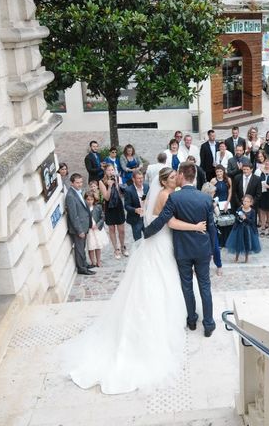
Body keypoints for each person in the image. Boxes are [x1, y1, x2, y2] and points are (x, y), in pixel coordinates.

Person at [67, 167, 208, 394]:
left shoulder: (171, 193)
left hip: (161, 242)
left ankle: (181, 314)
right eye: (172, 178)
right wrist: (195, 226)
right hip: (162, 242)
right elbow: (168, 222)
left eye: (176, 177)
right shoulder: (165, 195)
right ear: (164, 181)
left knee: (168, 278)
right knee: (163, 279)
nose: (176, 180)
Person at [144, 163, 222, 337]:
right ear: (194, 176)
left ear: (181, 175)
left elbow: (163, 219)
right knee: (205, 286)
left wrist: (147, 232)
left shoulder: (175, 198)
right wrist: (212, 252)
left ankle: (192, 320)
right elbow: (211, 228)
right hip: (202, 249)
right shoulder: (206, 198)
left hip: (183, 249)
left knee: (186, 285)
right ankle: (208, 324)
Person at [65, 173, 95, 276]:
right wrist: (80, 230)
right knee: (79, 248)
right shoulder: (70, 196)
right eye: (77, 183)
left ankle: (84, 264)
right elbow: (74, 216)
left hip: (84, 225)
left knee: (82, 247)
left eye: (81, 182)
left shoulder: (78, 192)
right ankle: (82, 268)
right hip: (78, 228)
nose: (80, 184)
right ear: (72, 183)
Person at [99, 164, 128, 259]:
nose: (111, 172)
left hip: (118, 205)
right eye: (109, 170)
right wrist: (110, 186)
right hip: (109, 207)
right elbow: (106, 198)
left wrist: (118, 185)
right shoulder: (101, 182)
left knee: (122, 230)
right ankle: (116, 249)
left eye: (112, 170)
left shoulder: (117, 178)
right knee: (112, 229)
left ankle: (123, 246)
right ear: (105, 171)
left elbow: (121, 194)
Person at [225, 195, 261, 263]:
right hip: (239, 229)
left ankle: (246, 258)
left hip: (248, 230)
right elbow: (236, 218)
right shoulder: (240, 209)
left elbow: (252, 222)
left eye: (247, 201)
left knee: (247, 242)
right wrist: (240, 218)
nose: (245, 203)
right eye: (244, 201)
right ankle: (236, 257)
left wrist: (245, 218)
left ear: (251, 203)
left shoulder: (253, 211)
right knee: (238, 242)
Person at [84, 191, 109, 268]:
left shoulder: (98, 207)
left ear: (94, 200)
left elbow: (102, 217)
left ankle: (98, 261)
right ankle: (93, 262)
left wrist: (98, 225)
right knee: (91, 246)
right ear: (85, 200)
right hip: (89, 230)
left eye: (91, 199)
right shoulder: (84, 208)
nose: (90, 201)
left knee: (98, 246)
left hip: (96, 229)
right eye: (88, 199)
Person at [255, 154, 269, 237]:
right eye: (266, 161)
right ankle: (263, 228)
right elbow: (255, 182)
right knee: (262, 211)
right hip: (261, 194)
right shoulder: (258, 171)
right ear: (264, 161)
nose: (267, 163)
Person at [124, 171, 149, 241]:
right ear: (133, 179)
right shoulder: (128, 190)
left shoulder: (147, 186)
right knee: (138, 240)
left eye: (142, 178)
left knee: (149, 238)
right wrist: (135, 210)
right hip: (136, 219)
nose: (141, 180)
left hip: (146, 217)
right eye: (138, 178)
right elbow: (126, 206)